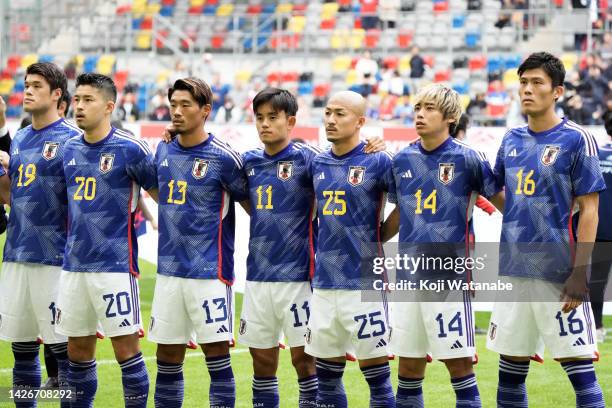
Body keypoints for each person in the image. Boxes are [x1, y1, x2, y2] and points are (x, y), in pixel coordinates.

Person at [486, 52, 606, 407]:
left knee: (580, 372)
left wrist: (581, 273)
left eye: (537, 82)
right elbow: (496, 190)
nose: (527, 89)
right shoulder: (511, 139)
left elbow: (590, 211)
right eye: (523, 82)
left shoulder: (576, 139)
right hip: (513, 271)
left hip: (557, 273)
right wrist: (522, 216)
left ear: (557, 91)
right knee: (509, 372)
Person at [383, 84, 503, 407]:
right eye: (417, 107)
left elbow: (504, 202)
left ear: (450, 116)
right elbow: (401, 212)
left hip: (448, 278)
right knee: (407, 368)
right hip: (408, 277)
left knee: (460, 367)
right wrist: (375, 238)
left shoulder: (469, 159)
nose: (420, 114)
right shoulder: (402, 158)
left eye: (429, 108)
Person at [56, 73, 158, 407]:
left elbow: (163, 197)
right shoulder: (69, 148)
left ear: (109, 106)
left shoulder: (131, 149)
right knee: (77, 352)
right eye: (77, 99)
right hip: (73, 267)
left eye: (88, 100)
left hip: (114, 266)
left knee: (126, 351)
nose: (79, 106)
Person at [148, 77, 248, 408]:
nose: (176, 112)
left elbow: (254, 208)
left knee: (216, 356)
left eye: (185, 105)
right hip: (169, 271)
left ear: (205, 110)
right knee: (167, 356)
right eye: (173, 105)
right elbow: (157, 191)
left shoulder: (224, 157)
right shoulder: (163, 148)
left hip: (210, 273)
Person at [305, 91, 396, 407]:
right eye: (328, 112)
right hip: (325, 285)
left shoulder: (378, 160)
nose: (330, 119)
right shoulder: (316, 161)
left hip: (364, 283)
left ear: (360, 121)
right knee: (326, 379)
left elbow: (407, 202)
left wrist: (380, 236)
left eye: (340, 114)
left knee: (377, 377)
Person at [0, 62, 82, 406]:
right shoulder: (19, 137)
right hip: (17, 253)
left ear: (57, 95)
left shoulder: (73, 139)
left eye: (36, 85)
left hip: (55, 258)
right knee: (21, 348)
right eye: (26, 84)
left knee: (62, 353)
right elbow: (12, 195)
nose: (28, 90)